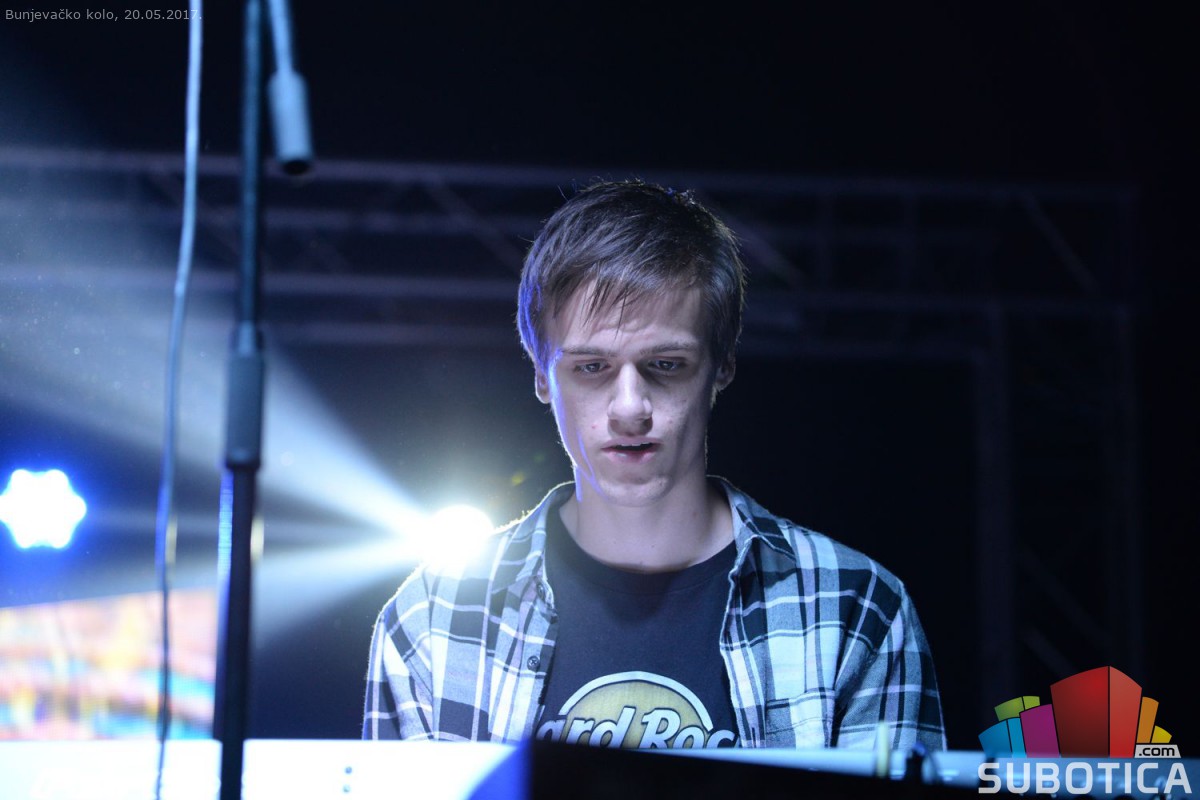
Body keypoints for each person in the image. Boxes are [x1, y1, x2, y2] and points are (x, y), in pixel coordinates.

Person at [363, 180, 946, 751]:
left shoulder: (853, 608)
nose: (629, 409)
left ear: (721, 366)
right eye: (591, 368)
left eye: (665, 365)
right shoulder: (435, 617)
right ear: (542, 377)